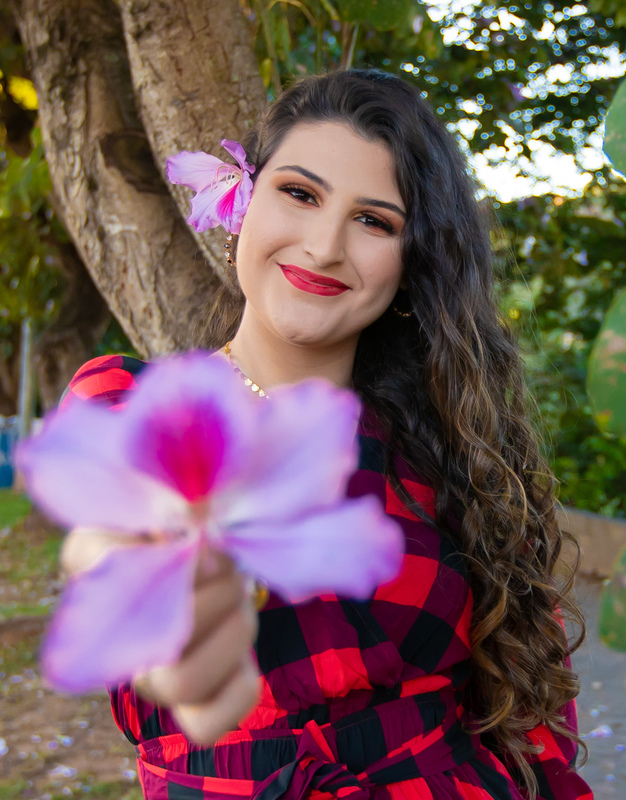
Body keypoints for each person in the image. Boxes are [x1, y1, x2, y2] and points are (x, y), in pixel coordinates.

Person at [56, 68, 592, 800]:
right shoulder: (130, 402)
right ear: (242, 201)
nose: (324, 246)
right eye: (300, 194)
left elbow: (532, 714)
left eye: (374, 221)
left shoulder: (451, 449)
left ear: (411, 266)